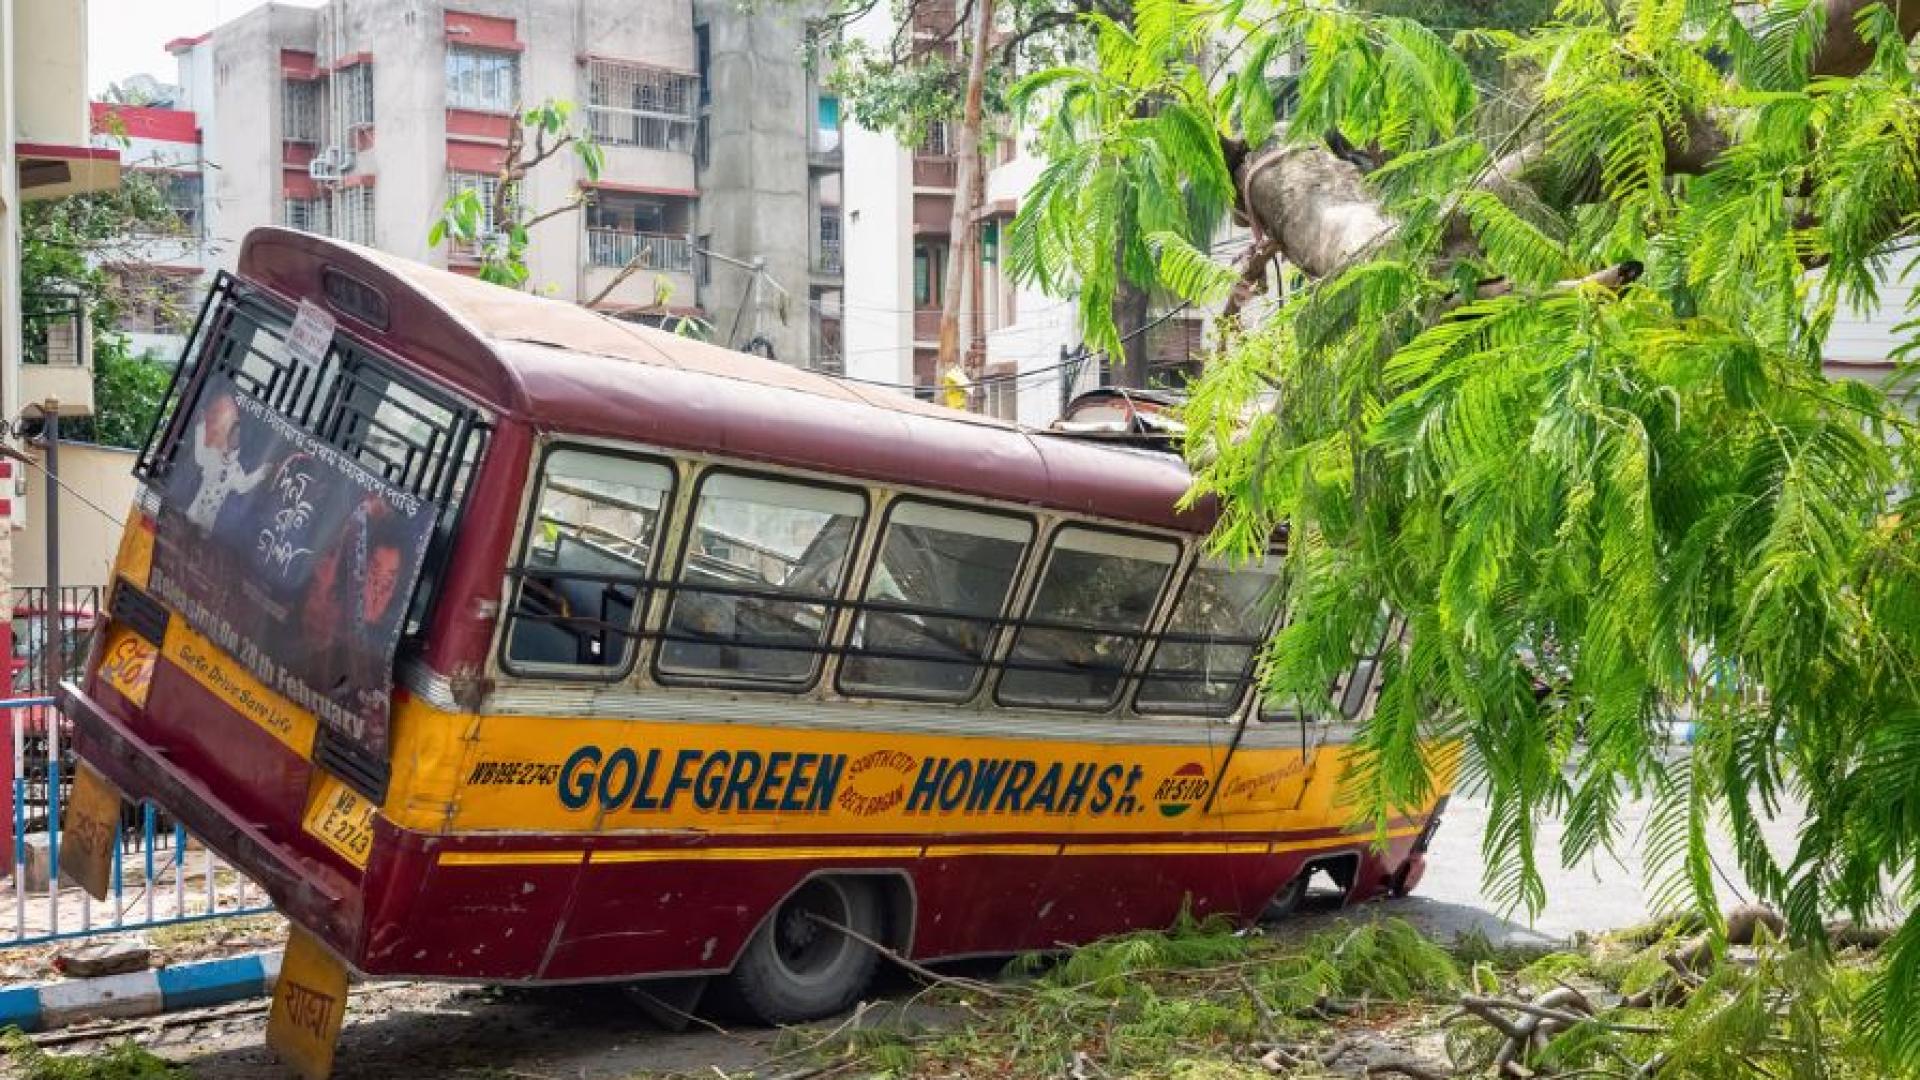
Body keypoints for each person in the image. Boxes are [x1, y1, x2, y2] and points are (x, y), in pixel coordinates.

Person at [183, 393, 269, 534]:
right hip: (192, 515)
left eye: (238, 435)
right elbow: (199, 456)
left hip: (206, 526)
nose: (234, 437)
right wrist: (201, 426)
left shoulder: (236, 469)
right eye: (233, 433)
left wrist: (262, 471)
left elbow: (243, 486)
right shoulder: (214, 454)